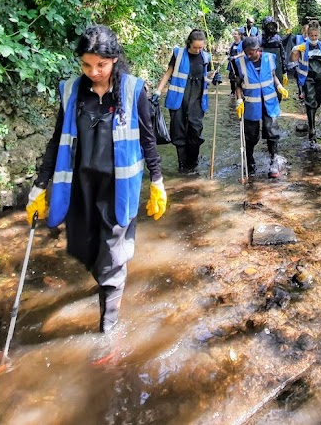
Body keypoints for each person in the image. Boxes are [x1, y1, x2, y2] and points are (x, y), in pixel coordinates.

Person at [26, 24, 167, 335]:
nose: (94, 72)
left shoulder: (132, 90)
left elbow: (148, 140)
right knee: (89, 251)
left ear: (114, 60)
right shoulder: (70, 92)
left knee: (112, 258)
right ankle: (106, 280)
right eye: (86, 65)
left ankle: (108, 329)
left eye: (101, 65)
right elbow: (56, 141)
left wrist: (157, 181)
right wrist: (39, 186)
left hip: (118, 189)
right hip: (80, 188)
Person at [155, 29, 219, 174]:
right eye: (195, 47)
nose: (197, 50)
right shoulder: (178, 54)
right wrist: (158, 91)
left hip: (197, 99)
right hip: (178, 99)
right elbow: (169, 72)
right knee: (178, 132)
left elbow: (207, 76)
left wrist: (214, 78)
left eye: (200, 47)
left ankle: (193, 164)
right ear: (189, 43)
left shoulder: (206, 57)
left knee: (195, 131)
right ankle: (183, 167)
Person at [232, 36, 289, 178]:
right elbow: (238, 84)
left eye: (251, 52)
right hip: (251, 104)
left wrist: (279, 86)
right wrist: (239, 100)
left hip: (269, 102)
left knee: (272, 132)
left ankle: (274, 160)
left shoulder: (269, 58)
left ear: (258, 50)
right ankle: (250, 161)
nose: (248, 55)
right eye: (246, 53)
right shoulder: (240, 63)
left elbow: (273, 75)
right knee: (251, 135)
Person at [290, 20, 321, 141]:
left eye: (316, 35)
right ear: (308, 35)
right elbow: (293, 59)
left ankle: (311, 118)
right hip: (307, 78)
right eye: (311, 35)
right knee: (310, 101)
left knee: (318, 101)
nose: (314, 38)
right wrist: (295, 49)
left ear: (319, 35)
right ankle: (312, 128)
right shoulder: (303, 47)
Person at [259, 16, 286, 86]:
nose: (270, 27)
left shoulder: (277, 38)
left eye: (272, 25)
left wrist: (284, 70)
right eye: (268, 25)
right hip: (265, 65)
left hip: (277, 65)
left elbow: (282, 54)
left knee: (278, 84)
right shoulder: (260, 38)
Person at [226, 28, 244, 96]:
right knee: (232, 78)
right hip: (232, 63)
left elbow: (244, 53)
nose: (234, 35)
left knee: (240, 78)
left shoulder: (242, 44)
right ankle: (233, 92)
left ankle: (241, 92)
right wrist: (228, 53)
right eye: (233, 34)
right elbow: (229, 51)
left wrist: (235, 57)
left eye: (235, 34)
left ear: (239, 35)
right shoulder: (232, 44)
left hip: (240, 64)